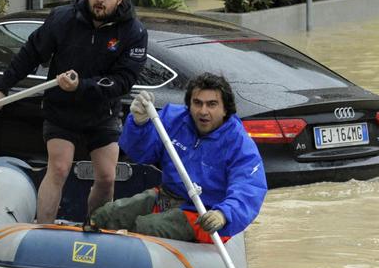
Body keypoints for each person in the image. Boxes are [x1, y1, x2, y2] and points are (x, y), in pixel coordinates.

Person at [0, 0, 148, 224]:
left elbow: (123, 81)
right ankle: (42, 231)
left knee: (106, 177)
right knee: (58, 168)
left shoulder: (133, 32)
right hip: (62, 109)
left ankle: (95, 228)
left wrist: (81, 85)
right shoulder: (63, 18)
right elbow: (30, 53)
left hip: (102, 111)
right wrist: (1, 87)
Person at [91, 73, 268, 243]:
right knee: (105, 216)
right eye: (197, 103)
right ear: (189, 104)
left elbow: (249, 189)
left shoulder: (239, 143)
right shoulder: (172, 118)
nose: (203, 111)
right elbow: (141, 154)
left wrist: (223, 214)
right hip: (166, 197)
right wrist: (139, 124)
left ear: (225, 110)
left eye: (212, 104)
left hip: (204, 213)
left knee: (145, 227)